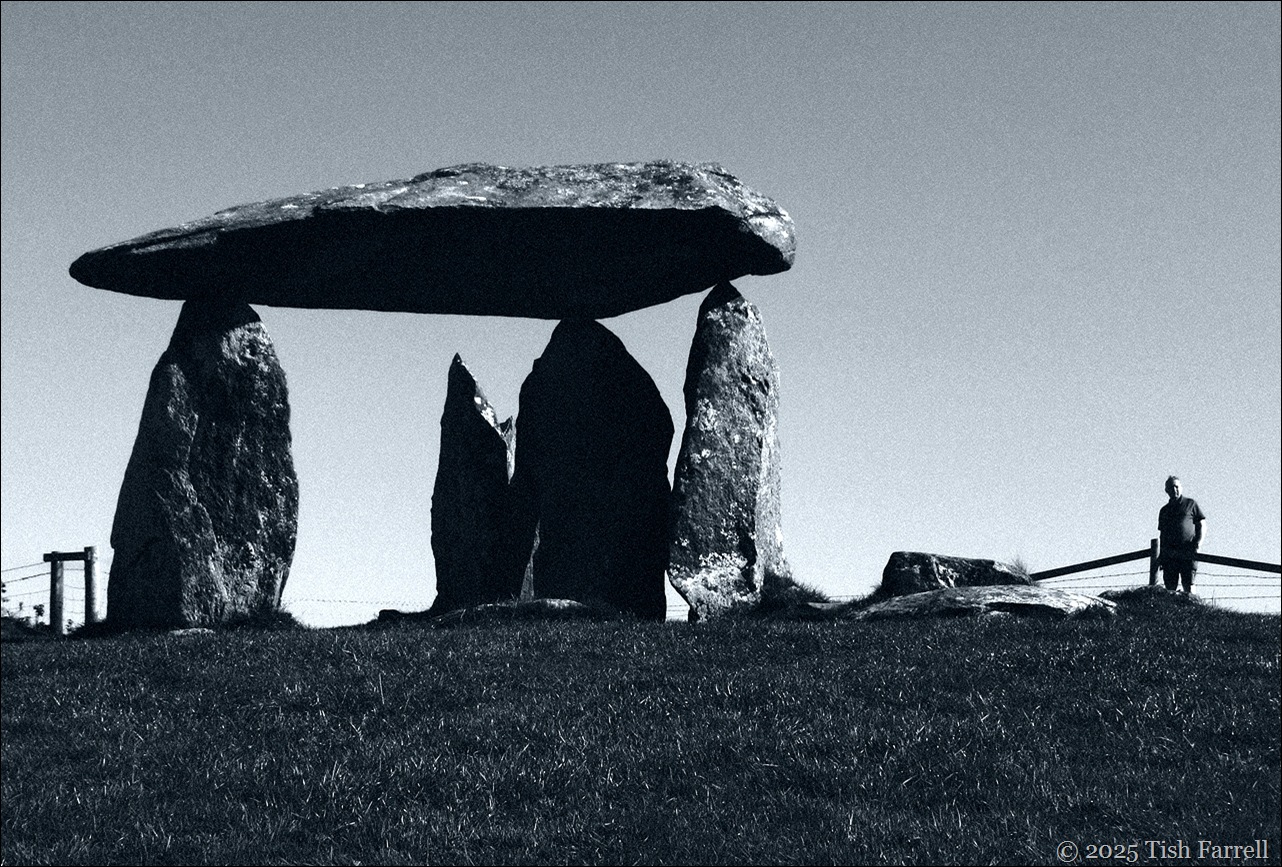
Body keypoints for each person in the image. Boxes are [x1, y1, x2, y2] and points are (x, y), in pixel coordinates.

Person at [1158, 476, 1206, 593]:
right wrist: (1162, 554)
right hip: (1170, 554)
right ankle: (1172, 611)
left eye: (1177, 487)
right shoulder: (1164, 511)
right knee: (1170, 588)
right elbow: (1162, 534)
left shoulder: (1190, 504)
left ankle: (1192, 610)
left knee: (1188, 585)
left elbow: (1202, 524)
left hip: (1188, 551)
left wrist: (1198, 544)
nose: (1175, 490)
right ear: (1166, 490)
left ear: (1181, 488)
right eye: (1171, 487)